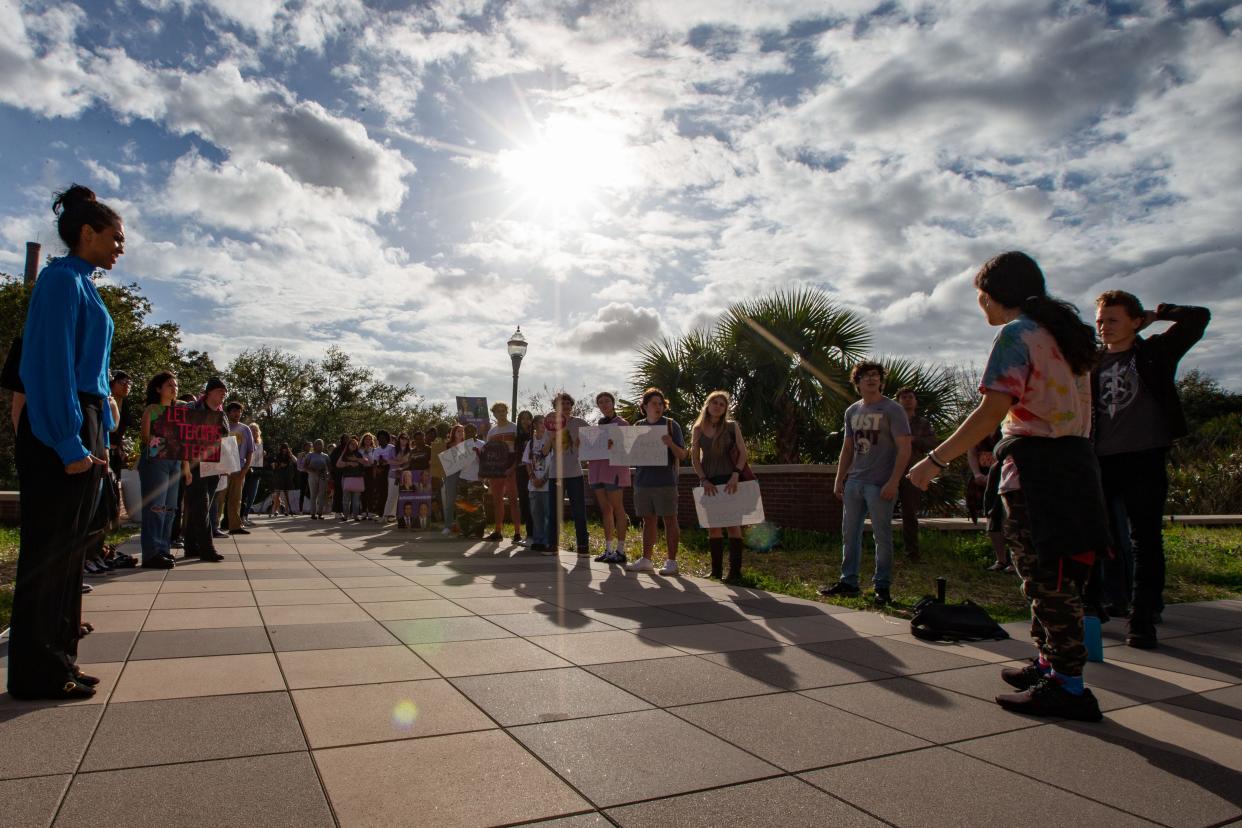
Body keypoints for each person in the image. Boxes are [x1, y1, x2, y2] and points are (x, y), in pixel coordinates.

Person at [908, 250, 1108, 722]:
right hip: (1074, 468)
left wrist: (934, 462)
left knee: (1048, 582)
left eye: (981, 296)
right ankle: (1048, 665)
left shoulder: (1017, 335)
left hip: (1040, 475)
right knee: (1056, 577)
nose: (981, 305)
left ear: (995, 295)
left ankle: (1069, 687)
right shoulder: (1065, 338)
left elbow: (991, 413)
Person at [9, 185, 122, 699]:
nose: (121, 247)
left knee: (71, 550)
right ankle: (38, 672)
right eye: (115, 237)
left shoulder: (85, 284)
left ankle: (61, 660)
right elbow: (47, 367)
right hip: (65, 421)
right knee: (48, 551)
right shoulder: (58, 281)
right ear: (86, 233)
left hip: (87, 417)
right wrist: (68, 440)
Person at [1093, 290, 1210, 648]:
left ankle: (1142, 618)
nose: (1104, 327)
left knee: (1144, 539)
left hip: (1144, 457)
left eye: (1112, 319)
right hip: (1101, 459)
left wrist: (1156, 313)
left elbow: (1198, 316)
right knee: (1099, 537)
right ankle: (1094, 604)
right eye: (1100, 320)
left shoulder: (1155, 352)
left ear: (1134, 321)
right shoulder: (1093, 362)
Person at [820, 363, 912, 605]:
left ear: (881, 381)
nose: (871, 379)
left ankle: (882, 586)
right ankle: (849, 581)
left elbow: (905, 448)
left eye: (875, 376)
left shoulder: (893, 409)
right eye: (865, 376)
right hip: (855, 482)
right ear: (857, 382)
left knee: (882, 536)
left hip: (881, 483)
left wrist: (894, 481)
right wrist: (840, 478)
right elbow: (848, 447)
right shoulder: (852, 411)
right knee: (849, 534)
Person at [625, 387, 688, 575]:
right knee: (648, 521)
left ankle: (671, 561)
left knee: (670, 520)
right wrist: (615, 447)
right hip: (643, 482)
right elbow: (628, 455)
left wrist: (670, 443)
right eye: (654, 403)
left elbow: (683, 454)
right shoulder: (637, 426)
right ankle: (646, 560)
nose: (658, 406)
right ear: (645, 406)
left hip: (665, 482)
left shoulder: (671, 425)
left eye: (661, 403)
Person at [689, 390, 750, 582]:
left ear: (725, 409)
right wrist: (703, 479)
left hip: (730, 479)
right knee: (713, 527)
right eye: (714, 402)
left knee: (733, 525)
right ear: (708, 404)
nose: (718, 406)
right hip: (709, 482)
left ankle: (734, 572)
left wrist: (735, 475)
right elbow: (694, 458)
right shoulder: (698, 428)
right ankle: (715, 571)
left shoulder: (732, 427)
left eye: (722, 404)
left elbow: (743, 453)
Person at [136, 371, 182, 569]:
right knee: (155, 507)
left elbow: (187, 442)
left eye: (176, 385)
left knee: (170, 508)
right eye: (169, 385)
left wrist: (186, 468)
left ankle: (163, 548)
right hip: (156, 459)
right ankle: (151, 552)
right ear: (158, 389)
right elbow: (145, 437)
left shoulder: (180, 411)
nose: (174, 389)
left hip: (175, 461)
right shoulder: (152, 409)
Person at [184, 378, 229, 561]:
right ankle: (207, 548)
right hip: (195, 465)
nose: (223, 395)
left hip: (214, 466)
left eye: (224, 393)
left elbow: (225, 440)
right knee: (200, 506)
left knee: (200, 507)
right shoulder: (192, 408)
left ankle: (191, 546)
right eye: (220, 391)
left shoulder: (222, 414)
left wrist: (226, 464)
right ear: (208, 392)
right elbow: (182, 435)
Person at [543, 392, 591, 555]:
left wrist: (582, 444)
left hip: (575, 473)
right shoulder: (549, 424)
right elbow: (544, 451)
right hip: (555, 473)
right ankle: (552, 545)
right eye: (561, 404)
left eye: (567, 403)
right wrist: (550, 435)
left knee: (579, 511)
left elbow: (594, 441)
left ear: (571, 406)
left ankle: (583, 546)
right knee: (553, 511)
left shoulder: (580, 423)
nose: (565, 406)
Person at [895, 388, 938, 561]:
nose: (907, 400)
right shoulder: (892, 421)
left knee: (909, 513)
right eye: (903, 397)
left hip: (912, 471)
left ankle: (912, 553)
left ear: (915, 401)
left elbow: (932, 443)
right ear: (898, 401)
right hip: (889, 469)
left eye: (910, 397)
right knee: (881, 510)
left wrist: (914, 439)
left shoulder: (923, 423)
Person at [589, 392, 632, 564]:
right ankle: (608, 549)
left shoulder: (622, 423)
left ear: (613, 403)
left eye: (607, 401)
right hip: (597, 471)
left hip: (613, 471)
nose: (604, 404)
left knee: (617, 508)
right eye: (600, 402)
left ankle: (620, 551)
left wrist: (615, 445)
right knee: (605, 509)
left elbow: (627, 448)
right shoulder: (597, 426)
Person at [967, 429, 1012, 572]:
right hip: (984, 477)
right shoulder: (981, 426)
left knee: (1009, 519)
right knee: (992, 517)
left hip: (1007, 477)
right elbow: (972, 451)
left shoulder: (1007, 426)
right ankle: (1001, 560)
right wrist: (977, 474)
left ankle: (1014, 561)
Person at [484, 402, 522, 543]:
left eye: (503, 411)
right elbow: (488, 454)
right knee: (497, 501)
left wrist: (512, 468)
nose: (501, 413)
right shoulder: (491, 432)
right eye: (498, 411)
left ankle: (517, 533)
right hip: (496, 470)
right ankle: (498, 531)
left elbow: (519, 451)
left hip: (511, 468)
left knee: (513, 501)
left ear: (507, 411)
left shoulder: (514, 428)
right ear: (493, 414)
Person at [523, 415, 553, 554]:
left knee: (548, 514)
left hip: (546, 484)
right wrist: (532, 477)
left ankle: (548, 541)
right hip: (533, 484)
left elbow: (553, 463)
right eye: (539, 423)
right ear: (534, 425)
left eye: (544, 423)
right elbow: (527, 463)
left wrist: (544, 479)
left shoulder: (550, 441)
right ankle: (538, 540)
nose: (542, 425)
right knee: (536, 514)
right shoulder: (530, 443)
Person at [514, 410, 535, 543]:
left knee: (535, 500)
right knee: (524, 501)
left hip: (535, 471)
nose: (526, 421)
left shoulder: (537, 435)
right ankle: (530, 533)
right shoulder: (518, 437)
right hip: (521, 471)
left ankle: (538, 532)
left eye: (528, 419)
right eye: (523, 419)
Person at [440, 424, 464, 534]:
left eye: (462, 431)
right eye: (458, 431)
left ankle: (461, 526)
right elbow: (440, 461)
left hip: (464, 475)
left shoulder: (466, 445)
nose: (460, 433)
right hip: (450, 476)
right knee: (450, 501)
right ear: (453, 432)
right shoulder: (447, 445)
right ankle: (448, 526)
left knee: (462, 501)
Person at [336, 436, 367, 521]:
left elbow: (366, 462)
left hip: (357, 479)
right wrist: (349, 463)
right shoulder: (344, 453)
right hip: (347, 479)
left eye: (355, 444)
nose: (353, 445)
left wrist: (356, 459)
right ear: (348, 445)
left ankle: (356, 516)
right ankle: (346, 516)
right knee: (346, 499)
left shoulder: (359, 454)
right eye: (351, 444)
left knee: (356, 500)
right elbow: (338, 464)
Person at [241, 423, 264, 524]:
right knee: (244, 494)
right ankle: (241, 516)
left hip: (256, 472)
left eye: (255, 430)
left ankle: (245, 516)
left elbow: (259, 461)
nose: (254, 431)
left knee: (252, 495)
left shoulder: (259, 444)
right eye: (251, 429)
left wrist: (263, 455)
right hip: (246, 470)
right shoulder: (245, 442)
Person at [303, 439, 331, 519]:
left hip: (323, 476)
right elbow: (304, 467)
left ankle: (320, 513)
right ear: (314, 446)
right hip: (312, 476)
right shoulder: (310, 455)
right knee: (313, 495)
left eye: (321, 444)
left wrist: (328, 475)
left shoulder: (325, 456)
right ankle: (312, 513)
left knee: (322, 495)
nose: (319, 445)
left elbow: (330, 468)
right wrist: (313, 470)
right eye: (317, 444)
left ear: (323, 446)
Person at [359, 432, 383, 521]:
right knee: (363, 492)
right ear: (363, 440)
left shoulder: (374, 450)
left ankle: (371, 511)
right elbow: (359, 461)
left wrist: (368, 453)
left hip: (371, 471)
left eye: (369, 439)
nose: (368, 441)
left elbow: (373, 461)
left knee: (371, 491)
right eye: (366, 439)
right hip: (362, 471)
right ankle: (364, 511)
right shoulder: (359, 450)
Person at [328, 432, 348, 518]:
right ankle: (337, 511)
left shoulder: (350, 449)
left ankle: (346, 511)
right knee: (338, 494)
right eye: (344, 439)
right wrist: (333, 474)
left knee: (347, 493)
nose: (346, 440)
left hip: (348, 474)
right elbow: (331, 462)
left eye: (347, 439)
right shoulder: (337, 450)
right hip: (338, 475)